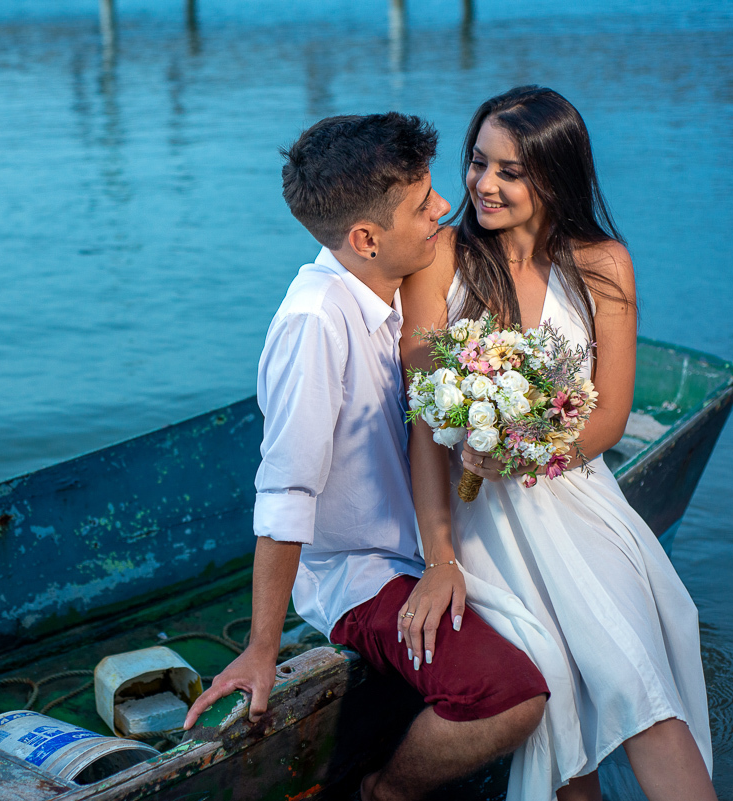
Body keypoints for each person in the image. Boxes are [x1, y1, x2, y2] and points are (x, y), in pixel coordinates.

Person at [183, 113, 550, 801]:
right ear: (366, 238)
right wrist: (263, 647)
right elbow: (286, 493)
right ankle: (385, 791)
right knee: (511, 695)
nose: (446, 207)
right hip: (364, 574)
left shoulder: (388, 298)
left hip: (426, 542)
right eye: (422, 204)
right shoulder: (315, 322)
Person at [398, 86, 716, 801]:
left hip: (575, 495)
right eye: (479, 163)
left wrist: (528, 449)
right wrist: (438, 556)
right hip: (480, 523)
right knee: (559, 710)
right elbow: (424, 425)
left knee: (637, 678)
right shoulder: (441, 260)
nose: (484, 184)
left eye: (510, 171)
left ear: (555, 175)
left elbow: (607, 418)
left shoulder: (604, 262)